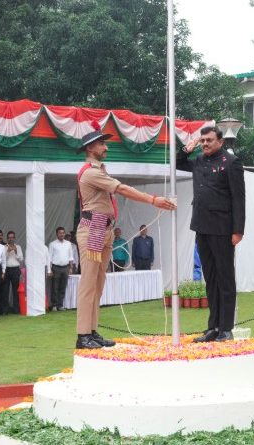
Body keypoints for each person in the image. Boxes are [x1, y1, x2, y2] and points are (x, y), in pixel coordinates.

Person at [75, 121, 176, 349]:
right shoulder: (90, 172)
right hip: (94, 229)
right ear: (90, 148)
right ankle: (83, 335)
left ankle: (91, 331)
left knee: (98, 284)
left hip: (102, 228)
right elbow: (120, 189)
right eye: (102, 144)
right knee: (89, 284)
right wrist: (153, 200)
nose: (106, 147)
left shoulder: (98, 170)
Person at [178, 126, 245, 343]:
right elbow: (178, 163)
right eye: (203, 140)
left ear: (220, 141)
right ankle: (213, 327)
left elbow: (238, 198)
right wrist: (187, 149)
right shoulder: (198, 160)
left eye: (209, 140)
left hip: (223, 228)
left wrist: (238, 230)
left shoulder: (231, 162)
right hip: (201, 226)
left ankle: (226, 328)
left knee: (225, 278)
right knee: (210, 279)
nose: (205, 144)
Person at [47, 226, 74, 311]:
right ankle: (54, 305)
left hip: (65, 267)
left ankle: (60, 305)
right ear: (57, 234)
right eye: (60, 233)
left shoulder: (68, 244)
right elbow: (49, 258)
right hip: (56, 268)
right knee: (55, 287)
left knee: (63, 287)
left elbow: (71, 257)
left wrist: (71, 268)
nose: (62, 234)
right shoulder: (52, 244)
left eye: (63, 233)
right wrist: (49, 270)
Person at [2, 230, 24, 314]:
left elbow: (21, 259)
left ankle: (16, 309)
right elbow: (2, 259)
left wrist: (16, 251)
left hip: (15, 269)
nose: (11, 239)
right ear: (7, 238)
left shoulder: (18, 247)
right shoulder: (4, 247)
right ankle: (5, 310)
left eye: (12, 237)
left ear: (14, 238)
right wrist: (8, 251)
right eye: (9, 238)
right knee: (5, 290)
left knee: (16, 290)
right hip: (6, 270)